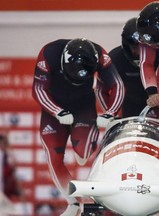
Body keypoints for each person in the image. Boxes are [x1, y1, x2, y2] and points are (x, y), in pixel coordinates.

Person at [32, 38, 124, 216]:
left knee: (82, 155)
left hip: (83, 106)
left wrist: (110, 113)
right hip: (54, 108)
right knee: (53, 155)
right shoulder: (48, 54)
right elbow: (38, 89)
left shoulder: (100, 56)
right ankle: (73, 202)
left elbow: (117, 85)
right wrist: (57, 111)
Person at [108, 17, 159, 120]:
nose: (140, 53)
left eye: (144, 48)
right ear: (126, 45)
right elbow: (104, 87)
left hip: (158, 103)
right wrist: (110, 114)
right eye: (135, 48)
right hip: (131, 103)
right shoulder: (115, 59)